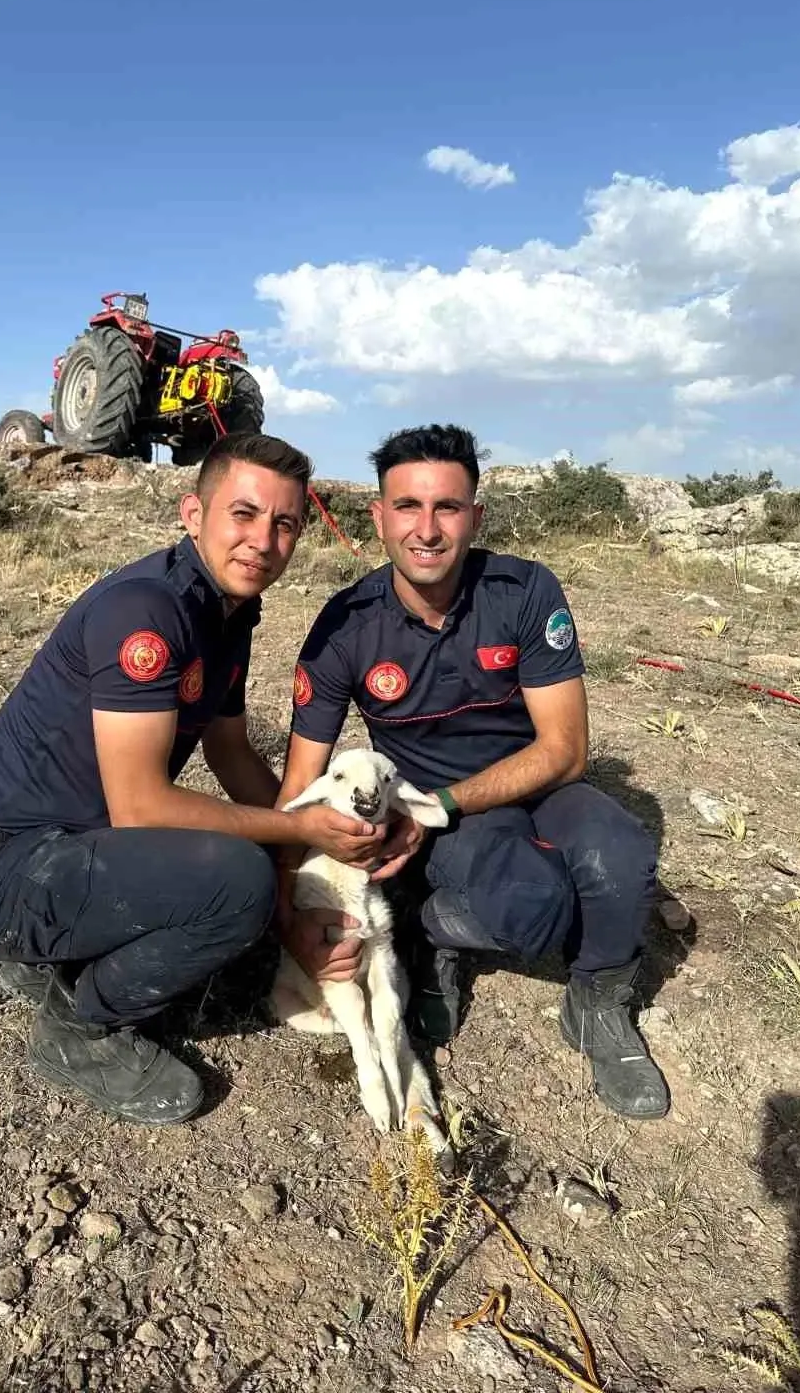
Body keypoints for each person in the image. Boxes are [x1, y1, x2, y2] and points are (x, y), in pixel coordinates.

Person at [0, 432, 399, 1127]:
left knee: (257, 866)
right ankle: (78, 1028)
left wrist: (310, 851)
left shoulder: (226, 615)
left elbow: (233, 755)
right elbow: (142, 804)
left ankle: (45, 954)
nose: (263, 540)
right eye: (243, 514)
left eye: (285, 523)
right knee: (237, 881)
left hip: (58, 848)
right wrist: (292, 834)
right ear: (193, 514)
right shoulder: (148, 610)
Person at [277, 423, 669, 1120]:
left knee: (624, 857)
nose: (426, 529)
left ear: (475, 516)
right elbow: (299, 789)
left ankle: (599, 1004)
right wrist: (291, 913)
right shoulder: (346, 624)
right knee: (535, 909)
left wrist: (442, 807)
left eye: (447, 508)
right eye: (407, 507)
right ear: (378, 517)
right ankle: (434, 936)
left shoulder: (523, 591)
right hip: (438, 816)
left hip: (526, 789)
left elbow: (566, 749)